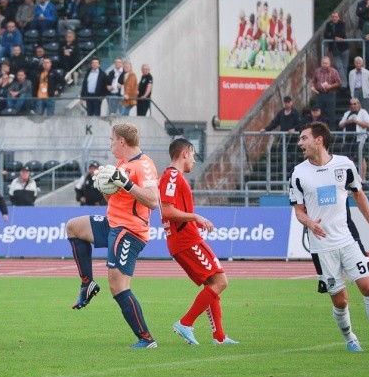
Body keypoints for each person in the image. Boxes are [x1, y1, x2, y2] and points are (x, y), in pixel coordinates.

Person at [289, 121, 369, 353]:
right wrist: (310, 222)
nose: (300, 143)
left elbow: (358, 195)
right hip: (322, 246)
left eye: (304, 138)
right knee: (340, 301)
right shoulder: (299, 173)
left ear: (318, 140)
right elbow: (298, 210)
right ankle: (350, 338)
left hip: (348, 239)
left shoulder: (344, 165)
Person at [65, 122, 159, 348]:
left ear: (121, 141)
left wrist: (125, 183)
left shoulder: (143, 165)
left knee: (117, 285)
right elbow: (117, 198)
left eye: (110, 140)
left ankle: (146, 339)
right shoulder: (121, 163)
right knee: (73, 227)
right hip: (113, 223)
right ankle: (87, 283)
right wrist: (105, 188)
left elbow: (153, 200)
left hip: (130, 230)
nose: (109, 144)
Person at [159, 138, 239, 346]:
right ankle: (185, 323)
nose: (194, 160)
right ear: (184, 153)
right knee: (221, 282)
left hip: (184, 239)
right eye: (193, 155)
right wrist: (195, 217)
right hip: (186, 239)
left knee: (213, 284)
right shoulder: (172, 176)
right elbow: (166, 210)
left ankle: (219, 337)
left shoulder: (174, 177)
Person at [338, 98, 369, 181]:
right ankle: (350, 178)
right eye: (352, 104)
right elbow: (340, 125)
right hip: (348, 139)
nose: (353, 106)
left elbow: (368, 124)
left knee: (361, 158)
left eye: (355, 104)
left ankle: (363, 178)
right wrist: (347, 122)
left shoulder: (363, 112)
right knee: (349, 159)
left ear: (359, 104)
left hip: (359, 139)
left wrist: (356, 121)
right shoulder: (347, 113)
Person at [309, 56, 342, 130]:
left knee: (331, 113)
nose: (325, 65)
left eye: (326, 63)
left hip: (330, 94)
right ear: (321, 63)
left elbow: (339, 83)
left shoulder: (334, 71)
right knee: (320, 112)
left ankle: (332, 130)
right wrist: (313, 87)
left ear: (329, 63)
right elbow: (313, 81)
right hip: (320, 94)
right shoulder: (317, 71)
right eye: (323, 63)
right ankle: (320, 129)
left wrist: (330, 86)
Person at [323, 11, 349, 90]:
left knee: (344, 67)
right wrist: (334, 37)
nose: (334, 18)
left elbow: (341, 34)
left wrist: (332, 35)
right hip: (334, 49)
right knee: (339, 67)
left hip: (344, 48)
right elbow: (326, 35)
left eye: (336, 16)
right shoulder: (328, 24)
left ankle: (344, 83)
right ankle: (344, 85)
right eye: (333, 17)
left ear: (339, 17)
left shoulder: (342, 24)